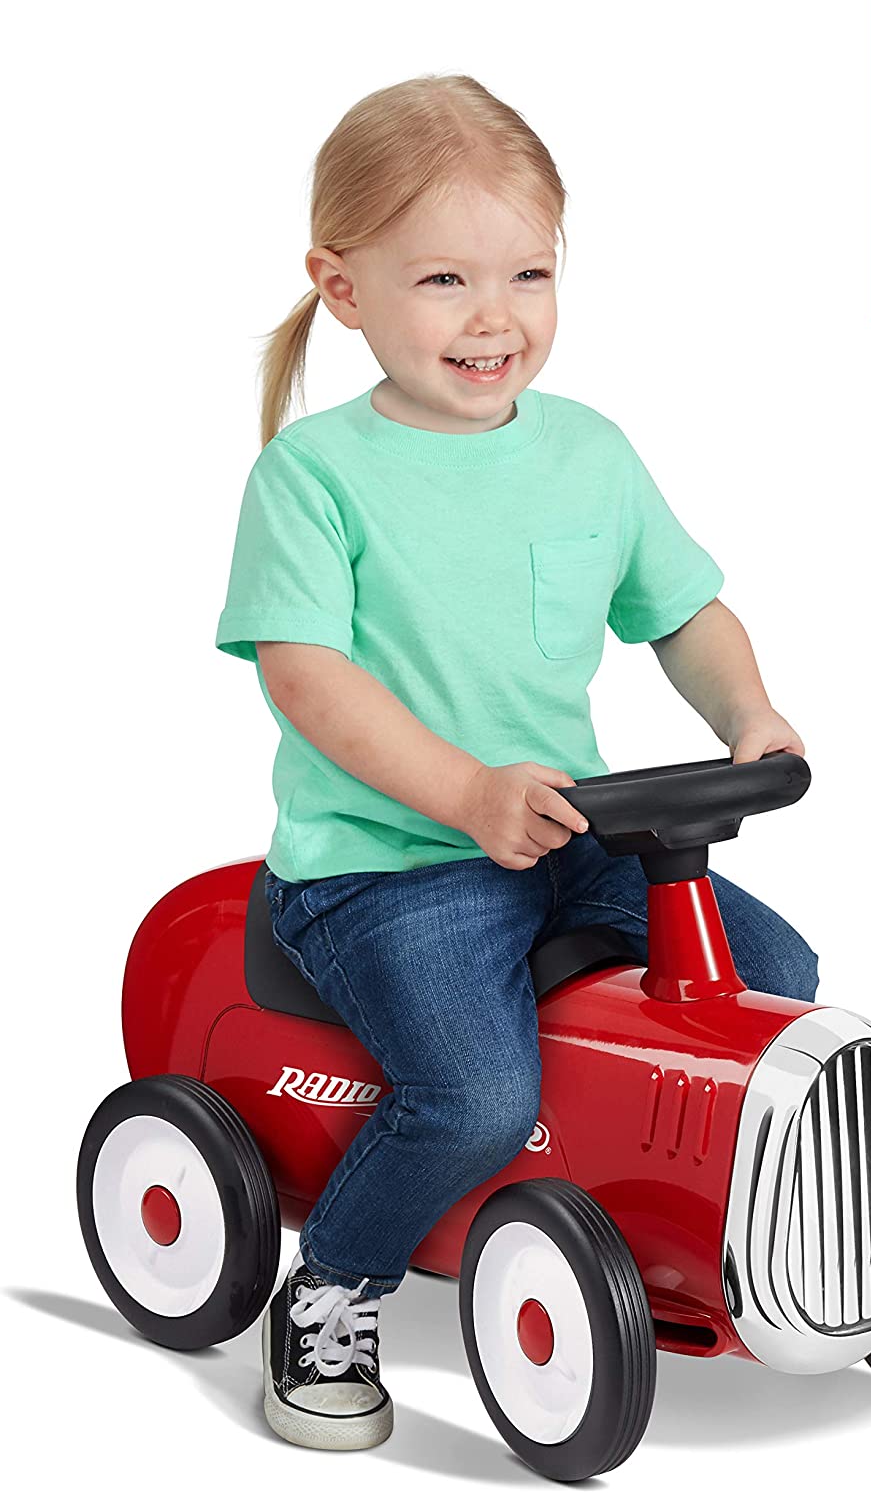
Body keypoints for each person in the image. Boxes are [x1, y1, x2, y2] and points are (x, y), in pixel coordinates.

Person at [215, 73, 819, 1453]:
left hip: (567, 836)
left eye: (527, 274)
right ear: (342, 287)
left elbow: (682, 611)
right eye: (444, 279)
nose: (494, 317)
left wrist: (748, 713)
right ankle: (334, 1289)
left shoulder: (588, 453)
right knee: (474, 1095)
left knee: (773, 978)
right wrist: (462, 795)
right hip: (388, 868)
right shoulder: (314, 477)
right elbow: (306, 679)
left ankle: (694, 1217)